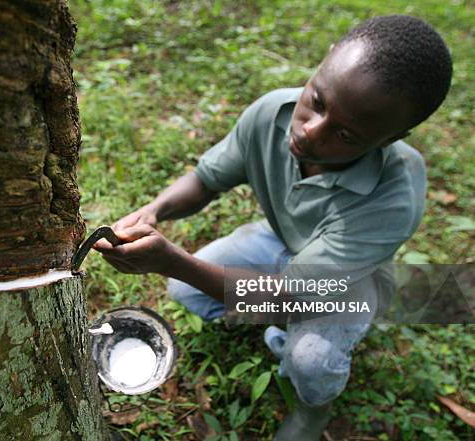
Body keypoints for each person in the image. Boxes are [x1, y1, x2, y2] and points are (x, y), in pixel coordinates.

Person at [93, 15, 452, 440]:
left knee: (312, 359)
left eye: (345, 135)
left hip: (349, 283)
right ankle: (269, 319)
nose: (310, 132)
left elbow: (288, 294)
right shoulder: (273, 112)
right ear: (326, 60)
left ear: (391, 138)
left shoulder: (393, 198)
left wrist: (171, 259)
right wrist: (154, 211)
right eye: (317, 101)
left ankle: (312, 409)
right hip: (284, 243)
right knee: (186, 289)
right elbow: (207, 180)